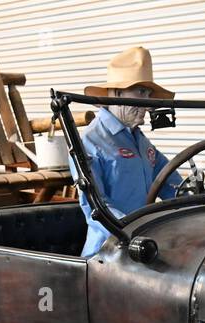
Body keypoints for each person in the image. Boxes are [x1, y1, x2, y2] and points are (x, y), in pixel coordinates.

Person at [76, 47, 183, 257]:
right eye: (141, 92)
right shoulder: (90, 141)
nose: (147, 103)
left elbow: (170, 182)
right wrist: (131, 234)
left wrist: (203, 201)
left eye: (149, 94)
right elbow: (96, 207)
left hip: (141, 246)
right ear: (116, 93)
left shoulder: (140, 141)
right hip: (107, 253)